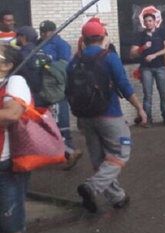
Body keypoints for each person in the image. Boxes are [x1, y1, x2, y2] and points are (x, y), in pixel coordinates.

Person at [69, 19, 148, 215]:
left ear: (84, 40)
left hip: (85, 117)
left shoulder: (74, 61)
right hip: (109, 114)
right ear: (103, 36)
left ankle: (117, 197)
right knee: (121, 151)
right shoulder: (109, 57)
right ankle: (92, 187)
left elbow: (67, 89)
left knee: (99, 159)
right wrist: (139, 108)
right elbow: (124, 85)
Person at [0, 45, 31, 233]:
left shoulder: (16, 82)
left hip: (6, 165)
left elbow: (11, 114)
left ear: (7, 64)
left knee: (11, 226)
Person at [39, 21, 81, 168]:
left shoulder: (61, 45)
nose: (43, 34)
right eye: (42, 31)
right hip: (45, 90)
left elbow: (64, 67)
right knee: (50, 124)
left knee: (60, 122)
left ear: (54, 31)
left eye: (46, 31)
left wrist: (47, 63)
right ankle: (66, 152)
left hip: (57, 90)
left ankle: (70, 150)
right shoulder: (40, 43)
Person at [130, 13, 165, 127]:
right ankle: (147, 119)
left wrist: (155, 55)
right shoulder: (140, 35)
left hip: (160, 66)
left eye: (150, 21)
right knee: (147, 94)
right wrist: (143, 48)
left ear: (154, 21)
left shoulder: (161, 32)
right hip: (146, 68)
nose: (148, 23)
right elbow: (132, 53)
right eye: (146, 21)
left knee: (163, 93)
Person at [12, 28, 41, 100]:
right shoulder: (40, 50)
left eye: (17, 36)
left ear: (23, 38)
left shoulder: (21, 55)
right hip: (41, 92)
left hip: (28, 93)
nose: (16, 38)